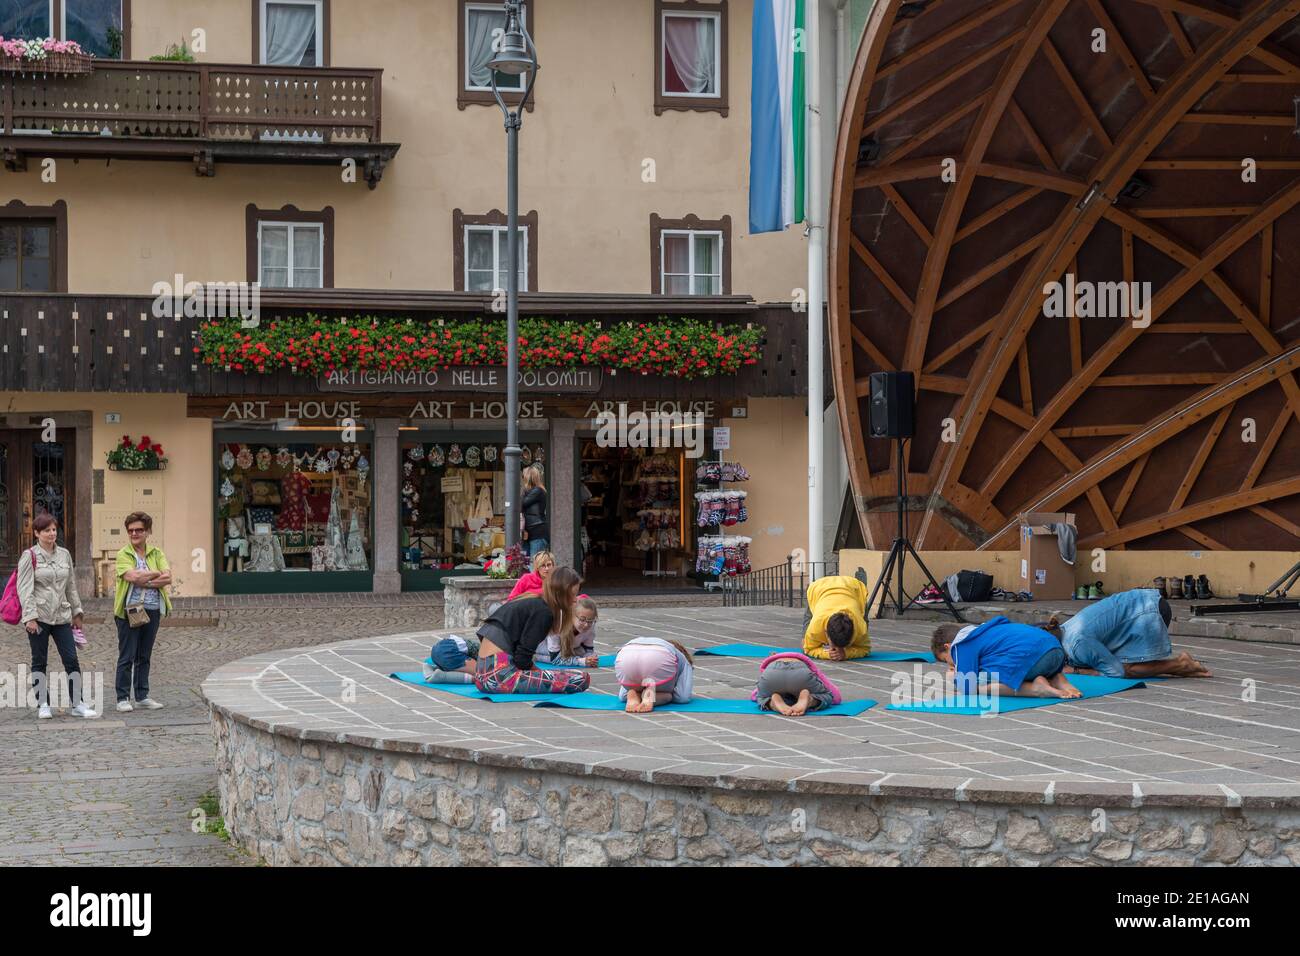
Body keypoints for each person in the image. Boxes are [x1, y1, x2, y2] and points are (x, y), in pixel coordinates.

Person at [17, 514, 95, 718]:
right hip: (39, 617)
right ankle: (43, 703)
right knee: (39, 661)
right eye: (46, 530)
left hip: (61, 616)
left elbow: (71, 585)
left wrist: (77, 612)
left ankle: (78, 703)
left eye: (53, 530)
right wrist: (30, 617)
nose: (51, 534)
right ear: (36, 533)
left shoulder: (64, 555)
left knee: (71, 659)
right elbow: (25, 589)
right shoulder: (30, 556)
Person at [473, 566, 590, 695]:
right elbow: (522, 659)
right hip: (499, 678)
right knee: (579, 678)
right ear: (560, 593)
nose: (575, 600)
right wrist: (541, 673)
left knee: (564, 674)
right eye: (572, 595)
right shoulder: (544, 612)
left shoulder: (533, 600)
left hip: (482, 676)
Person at [1055, 589, 1212, 678]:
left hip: (1150, 612)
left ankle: (1180, 664)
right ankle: (1180, 666)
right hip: (1146, 602)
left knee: (1125, 669)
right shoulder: (1064, 629)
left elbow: (1117, 672)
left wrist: (1077, 671)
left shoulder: (1077, 642)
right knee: (1099, 659)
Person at [931, 616, 1082, 699]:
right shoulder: (983, 629)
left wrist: (954, 675)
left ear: (948, 646)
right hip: (1055, 650)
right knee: (1000, 661)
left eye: (946, 660)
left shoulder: (961, 645)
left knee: (982, 679)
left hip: (1034, 659)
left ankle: (1035, 688)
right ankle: (1056, 677)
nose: (950, 663)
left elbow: (967, 687)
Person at [114, 512, 171, 712]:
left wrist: (145, 578)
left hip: (153, 608)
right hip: (130, 609)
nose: (134, 533)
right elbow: (132, 576)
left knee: (144, 655)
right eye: (131, 531)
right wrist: (155, 574)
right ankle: (122, 697)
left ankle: (142, 695)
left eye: (139, 530)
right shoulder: (123, 554)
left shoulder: (156, 553)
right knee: (127, 655)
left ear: (148, 531)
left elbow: (168, 577)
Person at [616, 637, 695, 713]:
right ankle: (649, 698)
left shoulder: (665, 647)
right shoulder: (683, 659)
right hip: (659, 656)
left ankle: (634, 694)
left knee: (633, 688)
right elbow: (683, 697)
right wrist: (669, 696)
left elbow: (623, 696)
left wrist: (633, 691)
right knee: (667, 696)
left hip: (626, 652)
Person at [803, 574, 871, 660]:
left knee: (863, 619)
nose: (838, 650)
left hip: (853, 587)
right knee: (804, 642)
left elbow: (866, 649)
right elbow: (808, 649)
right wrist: (827, 654)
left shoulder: (861, 628)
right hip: (819, 588)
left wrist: (846, 653)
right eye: (836, 646)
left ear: (854, 632)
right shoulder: (816, 625)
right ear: (826, 633)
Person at [752, 651, 842, 716]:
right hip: (800, 672)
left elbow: (754, 694)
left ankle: (772, 703)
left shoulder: (768, 666)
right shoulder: (801, 659)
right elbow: (834, 694)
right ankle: (810, 699)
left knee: (762, 698)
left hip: (771, 674)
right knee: (827, 695)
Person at [535, 595, 600, 667]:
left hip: (567, 648)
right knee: (552, 656)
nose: (586, 625)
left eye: (590, 621)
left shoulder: (590, 626)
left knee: (580, 652)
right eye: (582, 619)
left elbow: (588, 650)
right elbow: (555, 659)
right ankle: (535, 657)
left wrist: (591, 659)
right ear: (572, 615)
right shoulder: (557, 625)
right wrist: (581, 661)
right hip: (542, 647)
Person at [521, 466, 549, 558]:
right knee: (526, 565)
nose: (522, 479)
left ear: (528, 478)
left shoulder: (538, 491)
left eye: (523, 476)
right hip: (529, 534)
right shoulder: (530, 491)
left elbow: (521, 503)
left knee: (535, 565)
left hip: (537, 534)